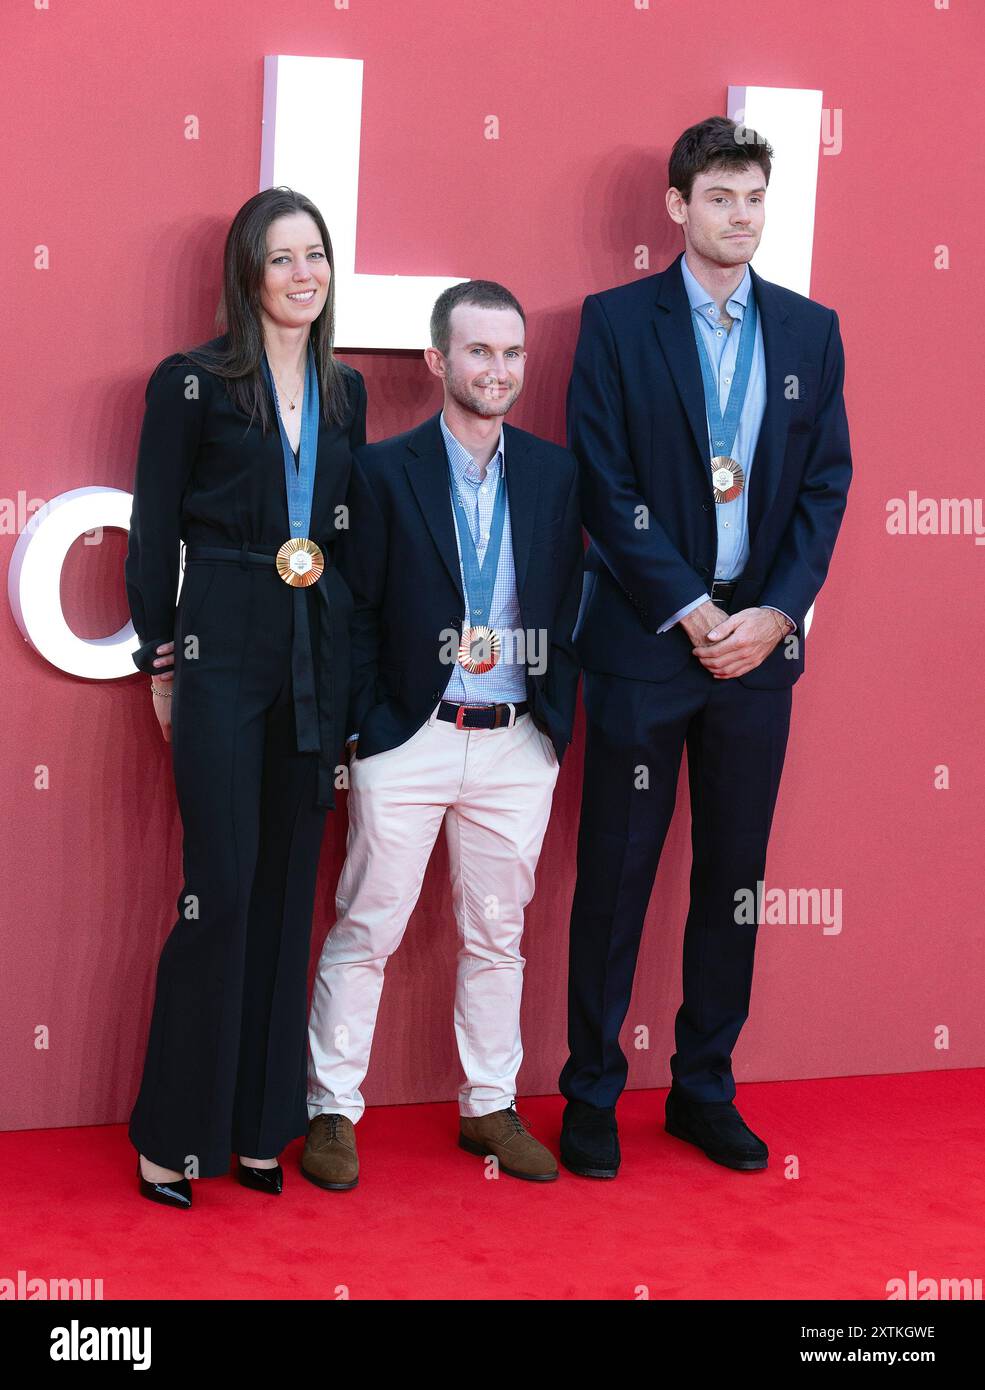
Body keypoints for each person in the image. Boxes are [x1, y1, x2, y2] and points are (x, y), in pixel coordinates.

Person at [559, 117, 852, 1178]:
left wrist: (774, 614)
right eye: (719, 196)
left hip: (757, 653)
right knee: (616, 874)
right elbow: (604, 481)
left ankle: (702, 1085)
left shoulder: (810, 333)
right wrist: (686, 606)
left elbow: (825, 487)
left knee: (734, 874)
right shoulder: (616, 323)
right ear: (677, 207)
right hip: (647, 642)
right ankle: (590, 1090)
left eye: (753, 198)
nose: (739, 216)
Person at [303, 281, 582, 1188]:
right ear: (437, 361)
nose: (496, 371)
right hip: (409, 738)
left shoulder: (552, 473)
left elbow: (569, 602)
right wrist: (364, 733)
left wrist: (549, 726)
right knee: (364, 927)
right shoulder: (384, 472)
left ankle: (488, 1108)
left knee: (498, 936)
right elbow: (351, 611)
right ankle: (332, 1112)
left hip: (513, 740)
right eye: (477, 353)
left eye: (510, 354)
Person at [125, 186, 366, 1209]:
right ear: (247, 273)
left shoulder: (346, 390)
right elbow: (150, 536)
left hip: (315, 650)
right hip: (222, 637)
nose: (302, 273)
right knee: (218, 889)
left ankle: (264, 1126)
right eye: (281, 259)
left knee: (285, 898)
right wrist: (161, 658)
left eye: (314, 254)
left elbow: (352, 545)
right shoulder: (191, 383)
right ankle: (171, 1132)